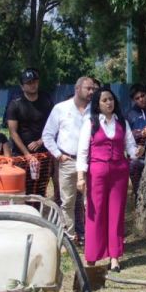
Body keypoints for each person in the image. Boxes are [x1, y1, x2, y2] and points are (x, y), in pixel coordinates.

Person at [75, 86, 137, 271]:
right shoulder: (91, 123)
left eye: (111, 99)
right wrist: (80, 177)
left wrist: (137, 152)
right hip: (98, 172)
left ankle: (115, 256)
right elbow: (82, 151)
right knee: (95, 213)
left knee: (116, 213)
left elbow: (131, 148)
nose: (109, 103)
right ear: (97, 104)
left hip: (119, 171)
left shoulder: (122, 123)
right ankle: (92, 257)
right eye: (104, 100)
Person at [42, 77, 97, 242]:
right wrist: (58, 155)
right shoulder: (60, 108)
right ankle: (70, 237)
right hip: (67, 160)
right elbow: (47, 135)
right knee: (68, 201)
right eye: (88, 88)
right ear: (77, 88)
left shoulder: (95, 110)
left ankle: (91, 236)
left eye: (93, 89)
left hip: (90, 161)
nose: (91, 92)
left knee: (90, 201)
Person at [5, 68, 54, 196]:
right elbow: (13, 132)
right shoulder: (15, 104)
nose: (33, 85)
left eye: (35, 81)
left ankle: (38, 213)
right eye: (29, 83)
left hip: (43, 152)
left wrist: (41, 140)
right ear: (22, 86)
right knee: (23, 188)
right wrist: (27, 154)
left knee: (40, 188)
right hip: (21, 154)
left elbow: (53, 124)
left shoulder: (46, 99)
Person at [127, 85, 146, 205]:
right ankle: (139, 209)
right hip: (138, 158)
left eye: (143, 95)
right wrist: (141, 133)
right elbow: (126, 136)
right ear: (133, 100)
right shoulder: (131, 115)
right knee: (139, 189)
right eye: (137, 98)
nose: (141, 99)